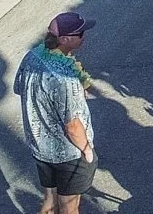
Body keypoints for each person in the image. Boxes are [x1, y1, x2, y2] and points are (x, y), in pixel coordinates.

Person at [14, 11, 97, 214]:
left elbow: (19, 88)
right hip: (68, 153)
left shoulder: (32, 56)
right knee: (70, 207)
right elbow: (72, 124)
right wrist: (86, 150)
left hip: (40, 147)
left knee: (50, 201)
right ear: (65, 39)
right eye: (80, 34)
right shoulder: (65, 77)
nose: (84, 37)